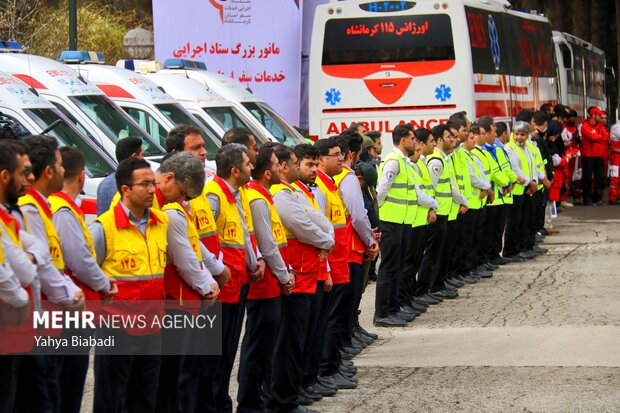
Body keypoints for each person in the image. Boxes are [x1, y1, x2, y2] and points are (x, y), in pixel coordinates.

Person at [90, 157, 168, 413]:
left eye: (153, 184)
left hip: (152, 329)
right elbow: (88, 277)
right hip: (117, 332)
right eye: (144, 184)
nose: (152, 190)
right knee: (111, 399)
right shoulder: (104, 228)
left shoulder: (160, 223)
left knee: (145, 398)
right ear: (125, 189)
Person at [16, 135, 84, 413]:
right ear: (48, 172)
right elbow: (39, 267)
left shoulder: (43, 208)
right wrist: (69, 294)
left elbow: (50, 261)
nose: (63, 170)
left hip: (50, 320)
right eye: (58, 164)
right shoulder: (30, 209)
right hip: (37, 324)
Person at [49, 147, 118, 413]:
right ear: (80, 177)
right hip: (72, 310)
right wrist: (104, 283)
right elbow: (80, 260)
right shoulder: (63, 211)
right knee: (69, 379)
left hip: (68, 306)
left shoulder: (55, 207)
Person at [154, 152, 221, 413]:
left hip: (181, 300)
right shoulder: (167, 210)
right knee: (169, 379)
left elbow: (194, 246)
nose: (182, 200)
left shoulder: (173, 207)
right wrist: (207, 284)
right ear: (169, 178)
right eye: (182, 193)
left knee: (181, 374)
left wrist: (213, 275)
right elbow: (184, 257)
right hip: (171, 302)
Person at [202, 143, 264, 412]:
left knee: (227, 354)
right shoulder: (214, 196)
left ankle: (222, 403)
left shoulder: (236, 194)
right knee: (216, 357)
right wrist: (217, 269)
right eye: (249, 164)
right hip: (222, 288)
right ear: (235, 170)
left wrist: (256, 260)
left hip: (238, 284)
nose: (253, 167)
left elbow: (242, 235)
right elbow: (201, 241)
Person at [238, 145, 293, 413]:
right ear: (267, 172)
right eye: (275, 163)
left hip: (272, 282)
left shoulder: (262, 195)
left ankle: (258, 400)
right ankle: (250, 403)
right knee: (258, 347)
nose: (280, 166)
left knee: (264, 346)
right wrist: (284, 276)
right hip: (265, 285)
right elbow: (268, 245)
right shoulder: (257, 199)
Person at [287, 144, 338, 400]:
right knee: (302, 334)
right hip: (304, 271)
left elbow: (323, 225)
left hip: (316, 268)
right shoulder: (291, 193)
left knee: (314, 329)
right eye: (308, 165)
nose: (313, 170)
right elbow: (311, 230)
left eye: (316, 165)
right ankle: (302, 382)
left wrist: (326, 268)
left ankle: (310, 378)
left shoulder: (308, 191)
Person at [313, 137, 357, 389]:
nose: (341, 158)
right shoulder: (319, 188)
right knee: (330, 319)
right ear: (322, 160)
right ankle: (326, 368)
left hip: (340, 261)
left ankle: (333, 363)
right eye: (336, 154)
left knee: (337, 318)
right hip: (331, 264)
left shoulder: (330, 186)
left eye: (342, 154)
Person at [0, 141, 36, 413]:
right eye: (23, 172)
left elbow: (31, 261)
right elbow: (17, 273)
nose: (29, 179)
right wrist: (21, 298)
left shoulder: (8, 217)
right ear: (5, 176)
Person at [374, 125, 417, 327]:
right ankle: (382, 313)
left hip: (400, 221)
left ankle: (393, 310)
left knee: (397, 267)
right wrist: (382, 212)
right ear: (402, 140)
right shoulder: (393, 162)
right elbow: (381, 190)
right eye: (412, 138)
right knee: (389, 268)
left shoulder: (402, 161)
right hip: (390, 222)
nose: (415, 142)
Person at [503, 121, 538, 261]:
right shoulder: (509, 148)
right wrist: (530, 183)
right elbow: (514, 169)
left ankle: (521, 248)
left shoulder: (528, 148)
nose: (519, 137)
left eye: (522, 134)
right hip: (516, 191)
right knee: (513, 223)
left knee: (524, 221)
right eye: (516, 134)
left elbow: (532, 166)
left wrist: (533, 181)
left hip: (526, 190)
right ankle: (511, 251)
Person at [96, 136, 143, 215]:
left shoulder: (103, 183)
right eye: (142, 155)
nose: (144, 159)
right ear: (134, 156)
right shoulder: (133, 184)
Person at [580, 106, 609, 205]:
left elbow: (606, 137)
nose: (601, 117)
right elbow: (592, 137)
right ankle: (587, 199)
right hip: (588, 156)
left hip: (599, 156)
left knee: (599, 177)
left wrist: (598, 137)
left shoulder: (600, 126)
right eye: (599, 115)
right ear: (593, 115)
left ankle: (597, 198)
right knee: (587, 178)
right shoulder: (585, 126)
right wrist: (599, 137)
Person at [609, 119, 620, 204]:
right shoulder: (616, 127)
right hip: (616, 156)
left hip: (618, 155)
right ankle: (612, 197)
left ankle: (618, 196)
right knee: (615, 177)